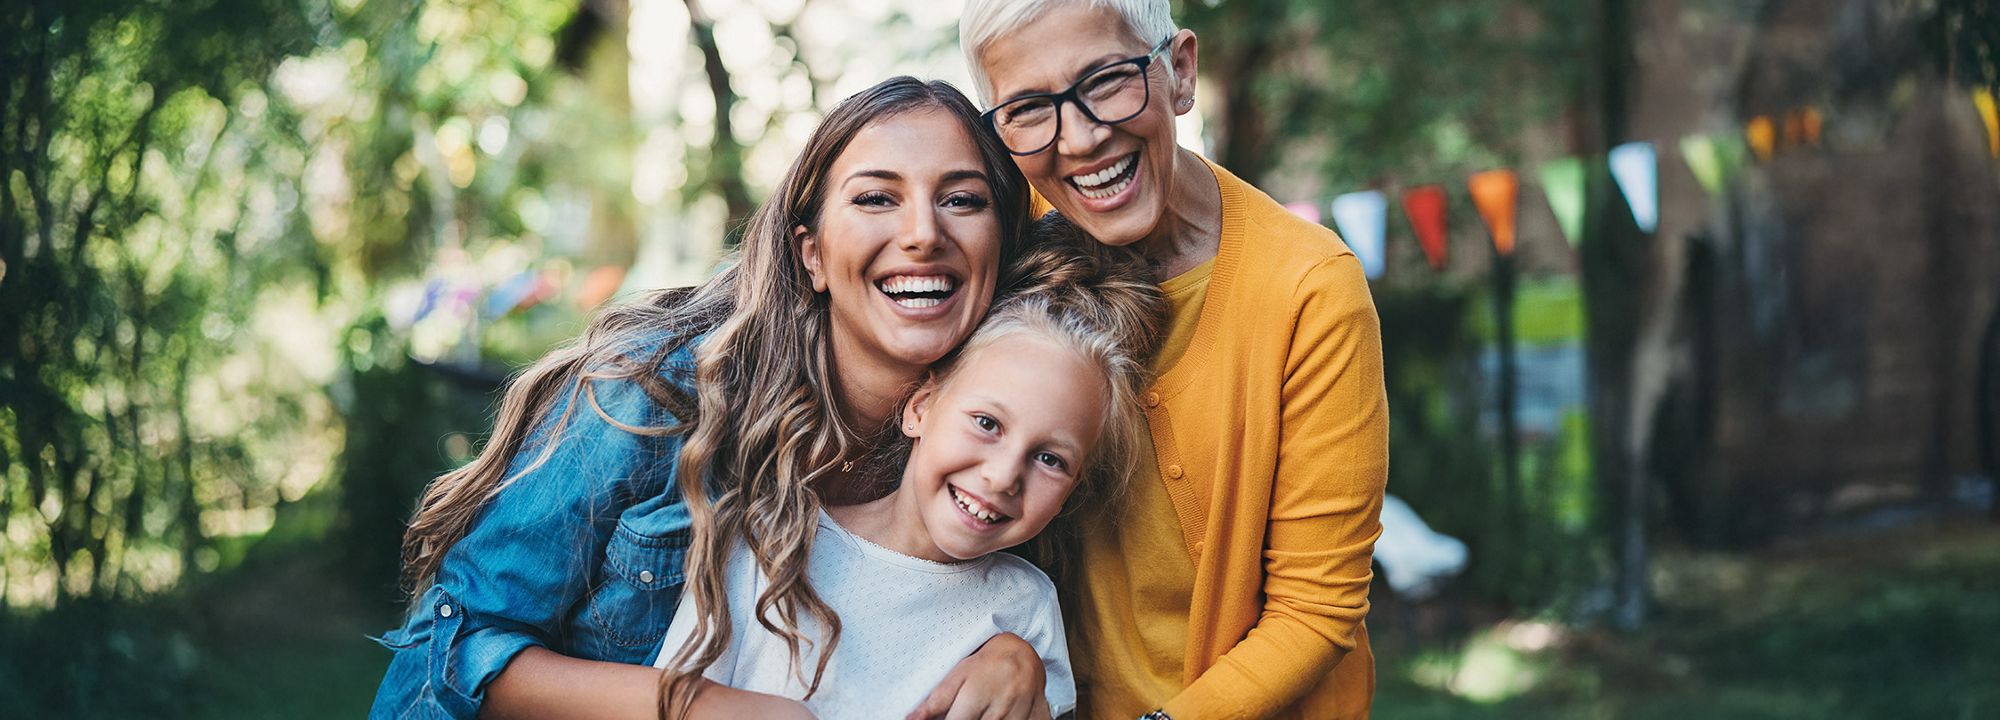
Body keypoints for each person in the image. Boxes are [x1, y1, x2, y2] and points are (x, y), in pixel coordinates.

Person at [369, 76, 1056, 720]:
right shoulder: (654, 393)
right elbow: (448, 656)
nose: (922, 233)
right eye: (877, 197)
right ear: (810, 253)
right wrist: (695, 706)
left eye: (962, 199)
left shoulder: (1001, 445)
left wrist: (1014, 655)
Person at [960, 1, 1391, 718]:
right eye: (1031, 109)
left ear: (1179, 71)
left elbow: (1316, 608)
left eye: (1105, 82)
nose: (1082, 139)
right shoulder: (1004, 251)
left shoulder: (1308, 289)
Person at [650, 226, 1166, 720]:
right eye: (987, 423)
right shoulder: (771, 539)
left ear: (1071, 491)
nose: (1005, 475)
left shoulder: (1026, 610)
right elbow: (679, 699)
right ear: (920, 407)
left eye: (1051, 459)